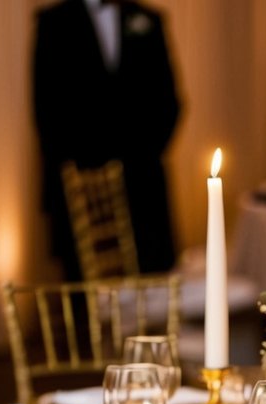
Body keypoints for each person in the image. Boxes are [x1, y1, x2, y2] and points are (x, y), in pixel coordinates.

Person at [33, 0, 182, 278]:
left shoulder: (148, 19)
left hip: (143, 186)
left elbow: (169, 103)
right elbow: (47, 112)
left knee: (153, 292)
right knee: (85, 297)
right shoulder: (54, 23)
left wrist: (141, 156)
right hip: (80, 191)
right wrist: (87, 179)